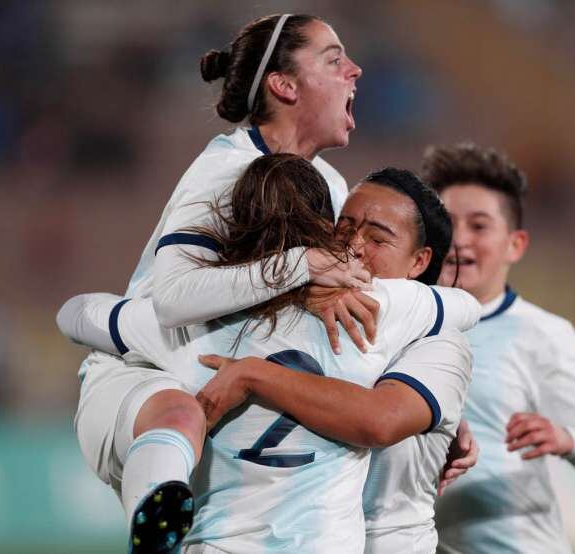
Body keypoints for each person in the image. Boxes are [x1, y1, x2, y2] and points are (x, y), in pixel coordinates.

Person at [58, 155, 483, 553]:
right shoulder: (396, 312)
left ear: (420, 260)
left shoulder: (198, 325)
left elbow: (379, 419)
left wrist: (253, 373)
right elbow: (466, 307)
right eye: (343, 228)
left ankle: (153, 486)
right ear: (318, 234)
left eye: (376, 238)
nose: (353, 246)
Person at [69, 13, 370, 553]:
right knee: (181, 414)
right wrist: (302, 264)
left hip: (225, 382)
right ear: (284, 85)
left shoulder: (329, 184)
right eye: (333, 60)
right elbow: (174, 297)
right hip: (147, 377)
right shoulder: (226, 170)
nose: (355, 70)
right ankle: (153, 531)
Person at [423, 143, 575, 554]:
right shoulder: (402, 321)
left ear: (515, 245)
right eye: (447, 224)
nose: (459, 240)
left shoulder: (542, 334)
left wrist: (566, 437)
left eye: (479, 226)